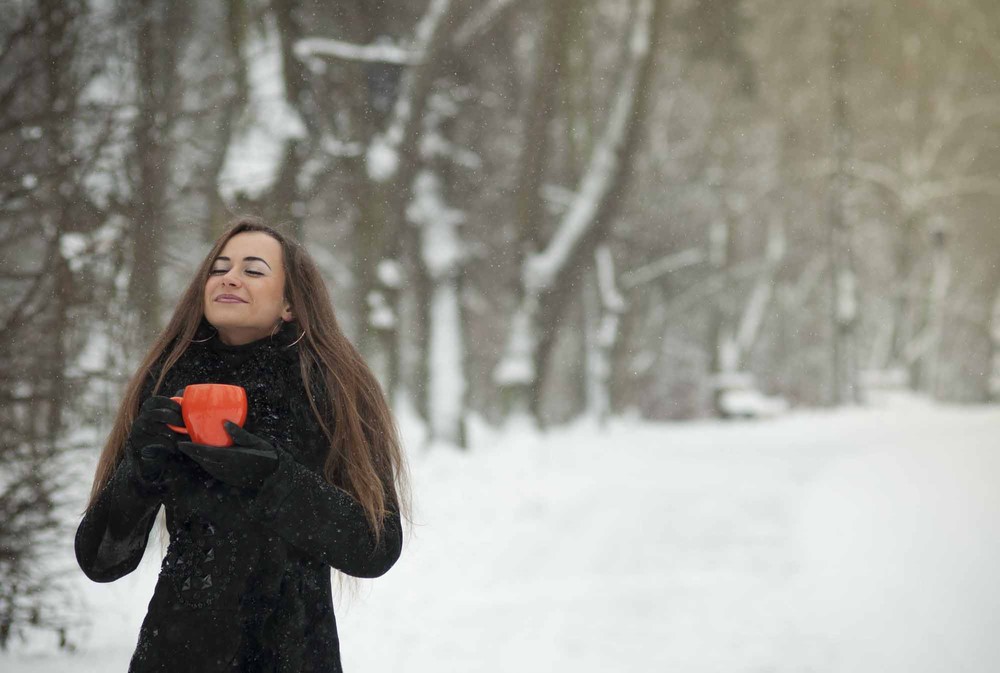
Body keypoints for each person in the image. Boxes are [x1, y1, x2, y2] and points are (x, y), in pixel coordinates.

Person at [75, 217, 409, 672]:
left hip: (294, 655)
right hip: (177, 654)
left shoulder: (333, 386)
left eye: (253, 270)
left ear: (290, 304)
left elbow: (375, 546)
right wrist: (139, 469)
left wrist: (274, 479)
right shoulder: (168, 376)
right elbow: (100, 560)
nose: (229, 278)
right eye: (219, 268)